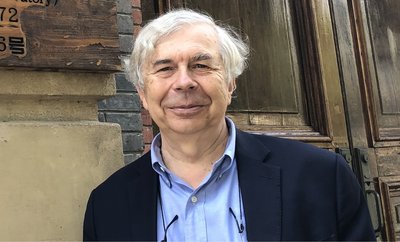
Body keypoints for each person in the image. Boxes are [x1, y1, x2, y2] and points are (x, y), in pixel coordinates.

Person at [83, 9, 376, 241]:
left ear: (231, 82)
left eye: (201, 65)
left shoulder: (322, 177)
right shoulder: (107, 205)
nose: (184, 82)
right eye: (165, 68)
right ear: (143, 94)